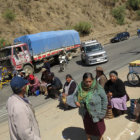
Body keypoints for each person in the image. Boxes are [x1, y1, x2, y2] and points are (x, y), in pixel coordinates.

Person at [74, 72, 108, 140]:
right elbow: (75, 95)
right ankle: (88, 137)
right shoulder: (80, 87)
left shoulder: (98, 87)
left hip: (96, 112)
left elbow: (105, 99)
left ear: (92, 80)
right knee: (88, 126)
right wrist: (76, 101)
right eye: (86, 82)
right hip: (85, 112)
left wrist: (103, 112)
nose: (88, 83)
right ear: (83, 81)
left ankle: (100, 137)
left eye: (90, 81)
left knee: (98, 127)